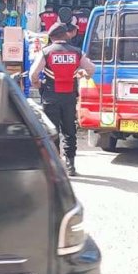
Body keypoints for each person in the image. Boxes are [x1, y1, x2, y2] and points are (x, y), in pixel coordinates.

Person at [29, 22, 96, 176]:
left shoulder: (46, 52)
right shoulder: (77, 52)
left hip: (50, 97)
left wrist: (38, 84)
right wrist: (84, 75)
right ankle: (71, 166)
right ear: (65, 35)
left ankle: (55, 166)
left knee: (52, 131)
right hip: (69, 97)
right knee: (69, 131)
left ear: (51, 37)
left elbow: (33, 74)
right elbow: (91, 68)